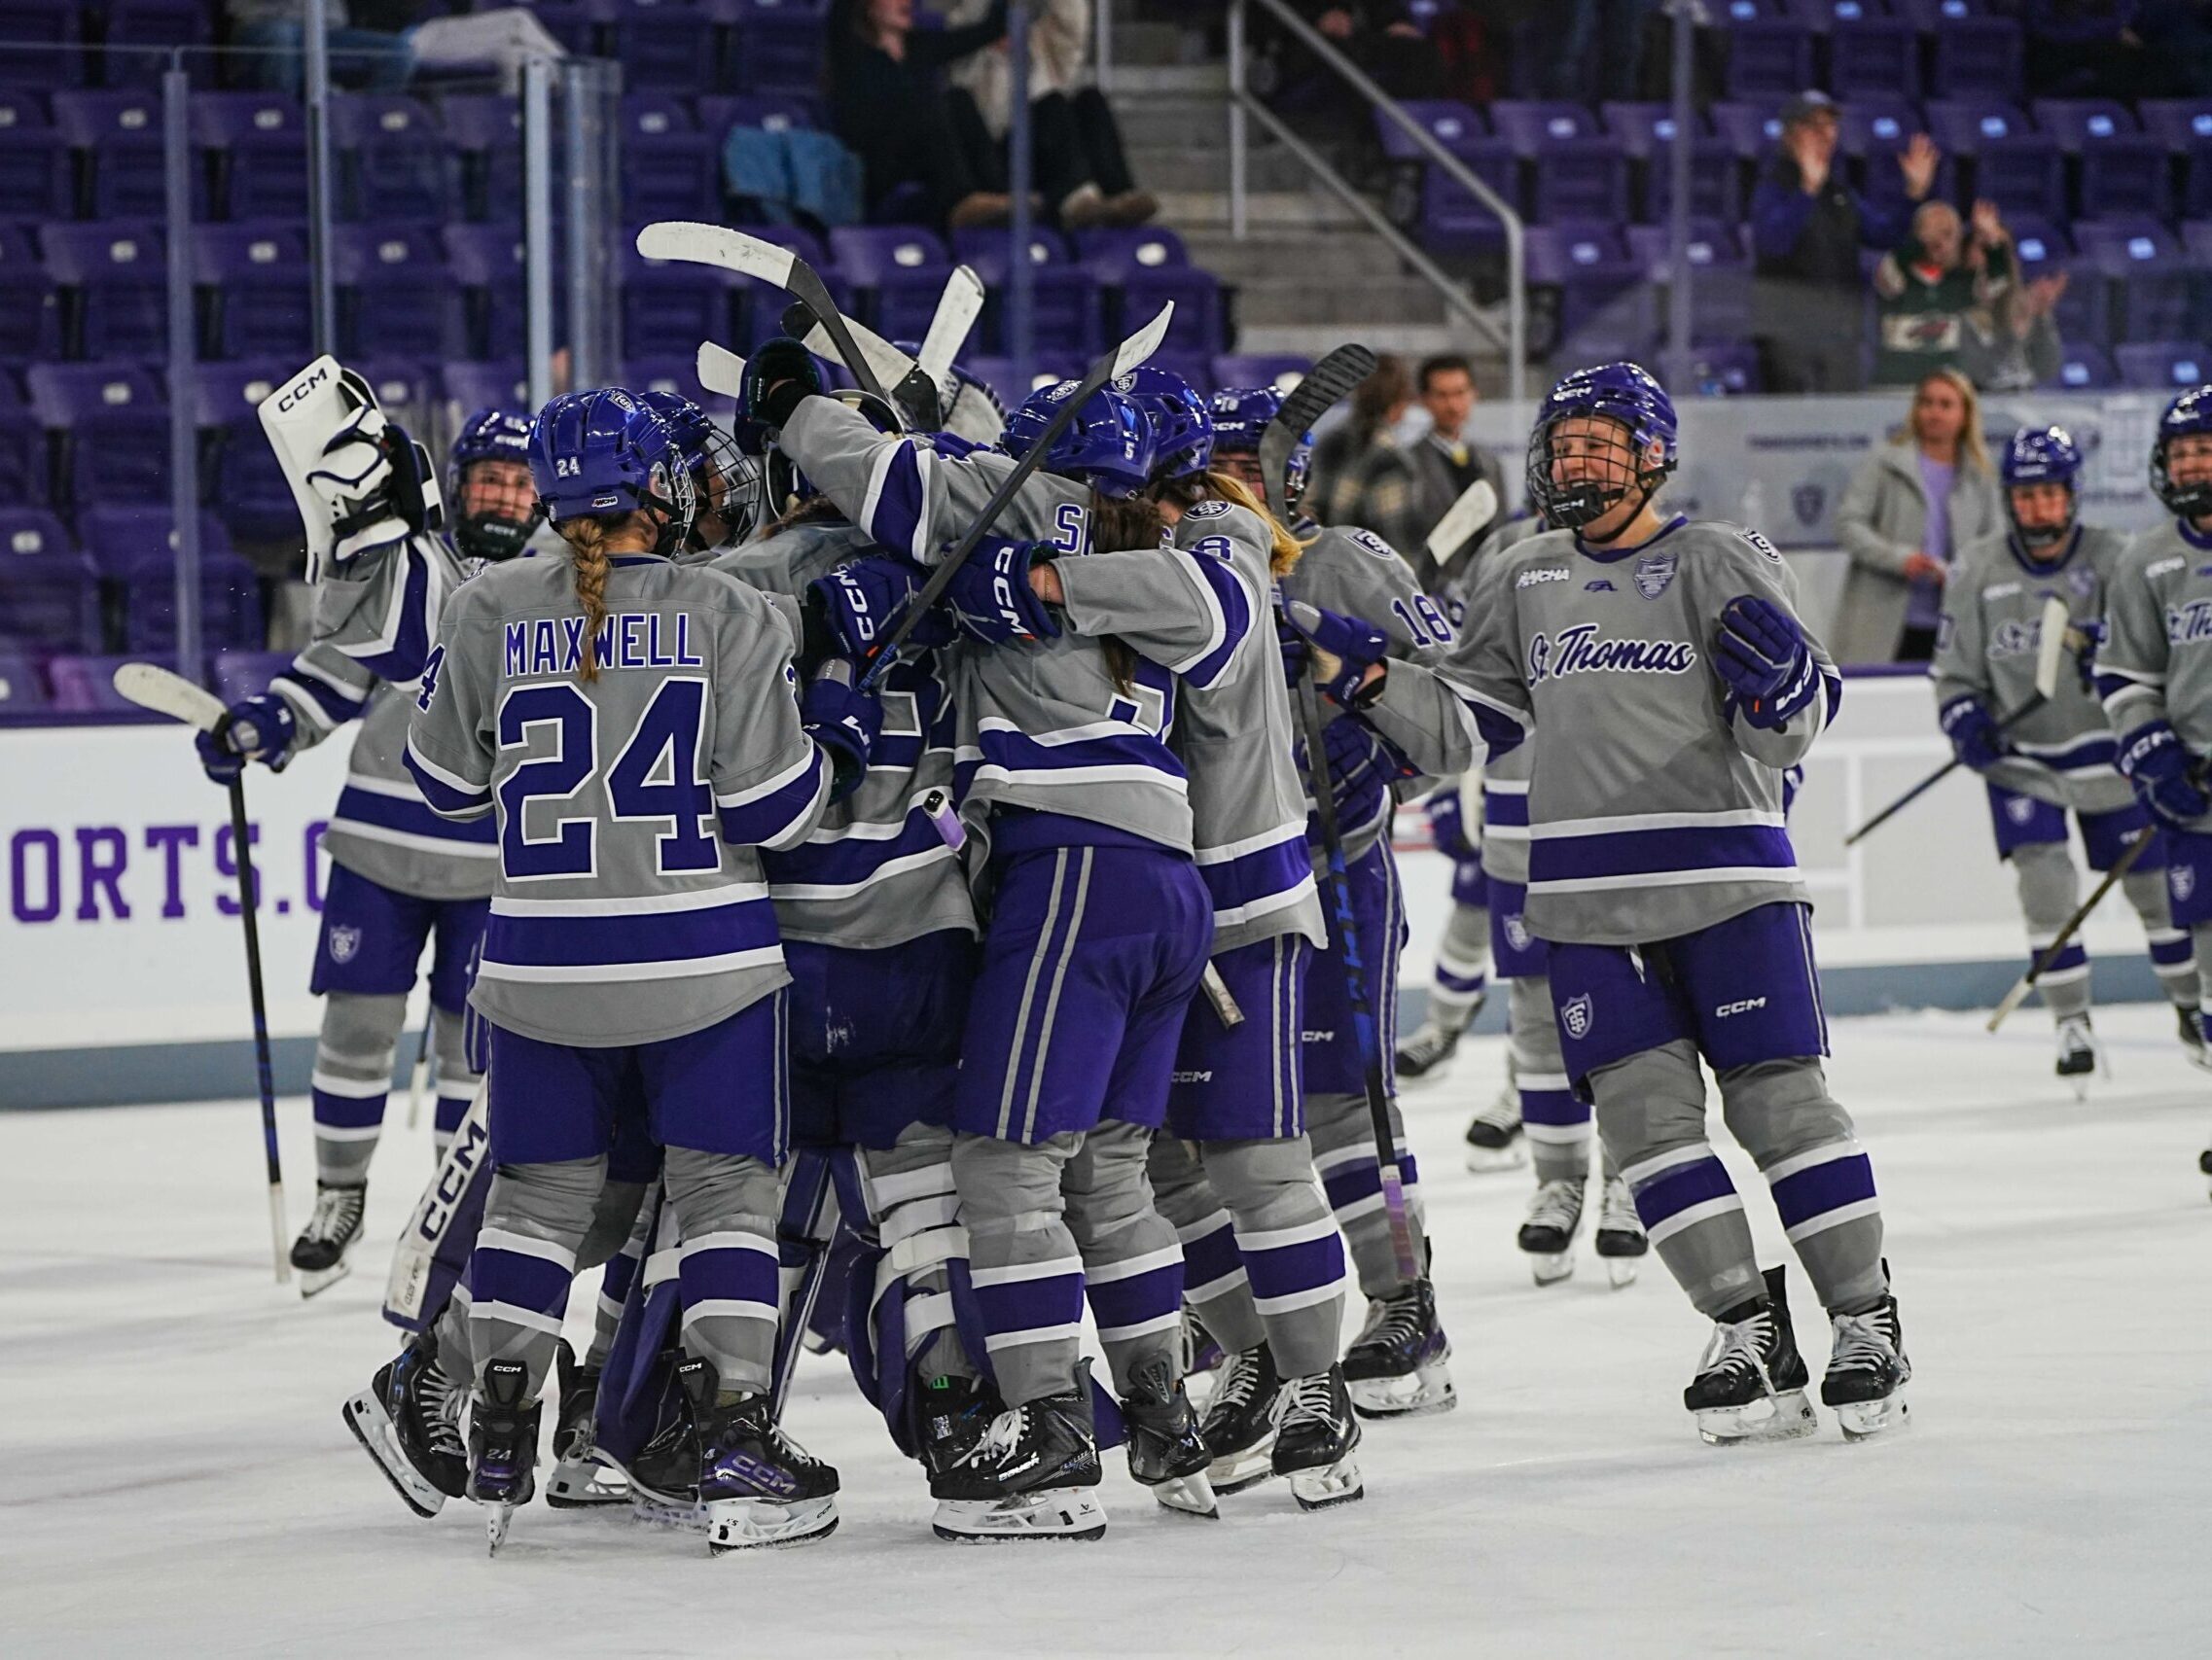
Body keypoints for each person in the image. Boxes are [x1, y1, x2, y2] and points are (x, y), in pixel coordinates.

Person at [1321, 362, 1910, 1444]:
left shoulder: (1720, 555)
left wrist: (1787, 693)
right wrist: (1365, 682)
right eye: (1565, 442)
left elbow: (1795, 723)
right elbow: (1462, 729)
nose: (1577, 459)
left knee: (1781, 1111)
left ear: (1653, 457)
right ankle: (1747, 1328)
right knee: (1647, 1134)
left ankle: (1865, 1317)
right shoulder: (1521, 572)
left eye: (1602, 441)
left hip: (1728, 886)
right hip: (1585, 906)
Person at [405, 388, 876, 1552]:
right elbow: (775, 811)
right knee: (726, 1199)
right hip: (704, 964)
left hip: (540, 965)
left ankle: (501, 1423)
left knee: (536, 1202)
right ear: (658, 490)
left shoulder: (484, 605)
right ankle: (730, 1429)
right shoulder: (728, 607)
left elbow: (444, 786)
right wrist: (835, 730)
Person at [760, 355, 1219, 1540]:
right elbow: (1212, 619)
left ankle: (1050, 1428)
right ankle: (1165, 1416)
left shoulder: (1014, 505)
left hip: (1068, 866)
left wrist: (792, 405)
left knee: (1003, 1168)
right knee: (1108, 1173)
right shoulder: (1161, 548)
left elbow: (886, 480)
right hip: (1171, 880)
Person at [196, 406, 539, 1295]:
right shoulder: (405, 569)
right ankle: (338, 1198)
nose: (504, 496)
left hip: (494, 862)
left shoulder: (553, 586)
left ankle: (452, 1214)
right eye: (489, 479)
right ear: (457, 485)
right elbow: (333, 673)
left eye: (519, 482)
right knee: (356, 1030)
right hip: (379, 850)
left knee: (473, 1052)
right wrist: (265, 723)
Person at [1210, 381, 1459, 1423]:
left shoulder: (1346, 561)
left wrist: (1377, 743)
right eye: (1209, 469)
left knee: (1344, 1105)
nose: (1224, 487)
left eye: (1244, 468)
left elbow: (1453, 718)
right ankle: (1247, 1331)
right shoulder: (1179, 566)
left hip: (1333, 875)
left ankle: (1405, 1299)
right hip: (1220, 889)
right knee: (1207, 1121)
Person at [1933, 426, 2201, 1088]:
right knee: (2046, 888)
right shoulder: (1976, 568)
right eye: (2027, 496)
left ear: (2073, 494)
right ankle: (2071, 1023)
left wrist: (2107, 655)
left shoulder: (2121, 557)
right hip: (2023, 762)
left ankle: (2190, 1007)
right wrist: (1965, 718)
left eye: (2051, 493)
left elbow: (2153, 656)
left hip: (2112, 760)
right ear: (2010, 500)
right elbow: (1953, 673)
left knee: (2154, 892)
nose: (2040, 508)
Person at [2094, 383, 2212, 1190]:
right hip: (2197, 799)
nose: (2194, 464)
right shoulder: (2147, 561)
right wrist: (2152, 750)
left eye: (2206, 449)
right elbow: (2125, 676)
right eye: (2183, 452)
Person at [1750, 91, 1940, 394]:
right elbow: (1774, 243)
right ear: (1790, 134)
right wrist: (1807, 192)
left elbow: (1884, 234)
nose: (1825, 135)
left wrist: (1913, 194)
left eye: (1830, 126)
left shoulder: (1838, 193)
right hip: (1789, 337)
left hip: (1840, 334)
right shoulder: (1772, 188)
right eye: (1814, 126)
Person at [1833, 369, 2005, 664]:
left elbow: (1995, 542)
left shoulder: (1981, 474)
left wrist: (1963, 572)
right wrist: (1900, 559)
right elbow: (1848, 523)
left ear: (1966, 414)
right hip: (1884, 621)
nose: (1934, 412)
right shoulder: (1885, 461)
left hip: (1956, 622)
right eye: (1926, 402)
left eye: (1945, 404)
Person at [943, 0, 1157, 229]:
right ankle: (1075, 199)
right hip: (998, 163)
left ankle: (1118, 196)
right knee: (1048, 105)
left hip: (1048, 160)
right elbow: (965, 20)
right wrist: (989, 28)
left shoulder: (1043, 47)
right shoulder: (969, 58)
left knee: (1088, 99)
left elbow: (1071, 22)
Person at [827, 0, 1017, 230]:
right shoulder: (850, 51)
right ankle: (960, 200)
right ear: (868, 6)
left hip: (925, 153)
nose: (905, 1)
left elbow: (988, 30)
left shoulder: (918, 46)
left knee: (959, 100)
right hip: (882, 159)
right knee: (924, 106)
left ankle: (998, 195)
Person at [1872, 199, 2017, 388]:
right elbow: (1888, 270)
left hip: (1944, 388)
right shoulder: (1899, 275)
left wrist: (1991, 241)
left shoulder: (1963, 282)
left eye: (1948, 234)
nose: (1940, 241)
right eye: (1933, 232)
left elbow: (1997, 284)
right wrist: (1920, 243)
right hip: (1895, 386)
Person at [1406, 354, 1505, 590]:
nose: (1453, 405)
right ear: (1424, 400)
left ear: (1474, 394)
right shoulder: (1409, 463)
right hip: (1432, 592)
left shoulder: (1490, 463)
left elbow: (1500, 530)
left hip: (1488, 588)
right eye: (1442, 395)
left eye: (1460, 393)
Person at [1313, 355, 1427, 560]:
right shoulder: (1391, 461)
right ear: (1401, 401)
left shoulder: (1326, 443)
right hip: (1364, 573)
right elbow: (1399, 548)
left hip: (1318, 568)